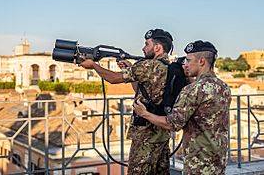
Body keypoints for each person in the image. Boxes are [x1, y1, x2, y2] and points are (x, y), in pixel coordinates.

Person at [79, 29, 174, 175]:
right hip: (162, 136)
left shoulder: (148, 66)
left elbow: (113, 78)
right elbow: (143, 91)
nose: (143, 48)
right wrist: (132, 70)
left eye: (146, 44)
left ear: (157, 47)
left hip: (145, 136)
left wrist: (94, 66)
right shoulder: (170, 67)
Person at [133, 40, 232, 174]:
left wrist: (144, 113)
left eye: (189, 60)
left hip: (198, 162)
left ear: (201, 61)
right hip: (217, 159)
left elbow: (172, 124)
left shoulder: (192, 90)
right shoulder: (223, 87)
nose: (185, 65)